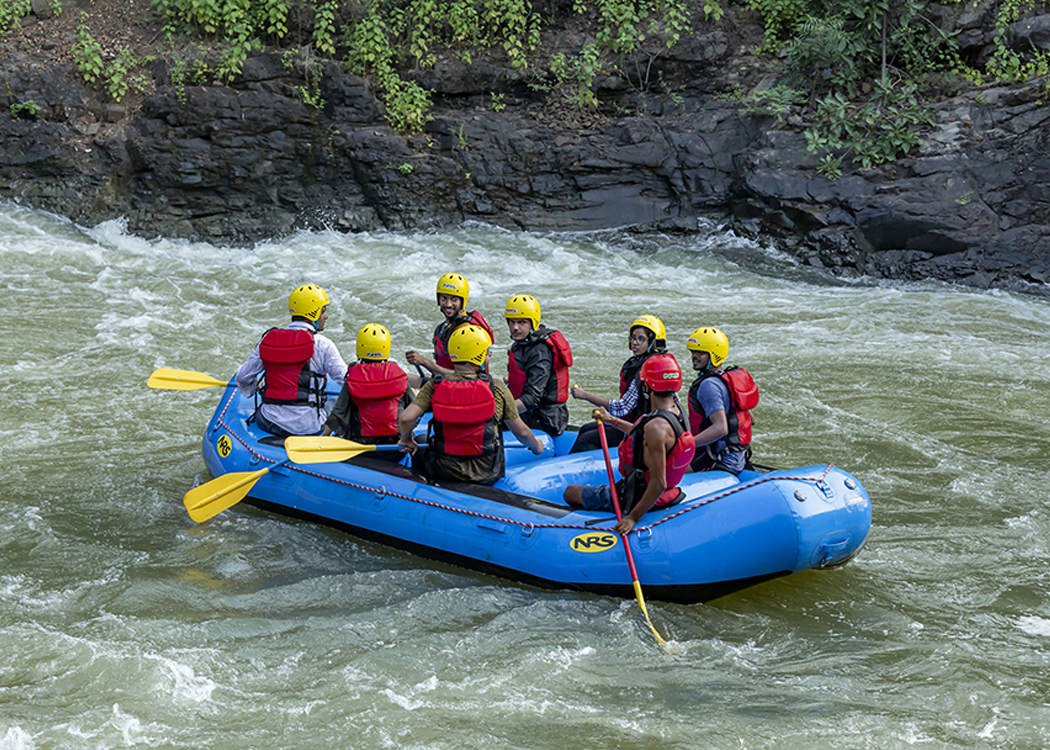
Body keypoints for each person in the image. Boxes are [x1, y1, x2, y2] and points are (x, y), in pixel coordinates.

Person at [564, 354, 696, 534]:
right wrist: (611, 420)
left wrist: (632, 517)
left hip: (635, 495)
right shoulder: (677, 411)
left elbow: (659, 483)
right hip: (669, 492)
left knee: (569, 492)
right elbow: (640, 432)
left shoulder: (656, 428)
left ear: (647, 386)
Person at [398, 324, 544, 484]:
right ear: (480, 355)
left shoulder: (435, 384)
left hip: (444, 469)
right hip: (486, 471)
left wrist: (406, 439)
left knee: (421, 439)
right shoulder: (497, 387)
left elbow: (406, 418)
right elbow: (521, 432)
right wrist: (537, 446)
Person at [235, 284, 348, 437]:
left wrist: (254, 386)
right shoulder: (323, 345)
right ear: (313, 313)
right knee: (334, 403)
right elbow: (349, 384)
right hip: (308, 428)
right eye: (323, 311)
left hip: (270, 422)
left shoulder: (268, 339)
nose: (325, 316)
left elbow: (242, 377)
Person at [569, 314, 668, 452]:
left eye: (641, 339)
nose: (635, 343)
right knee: (586, 428)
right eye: (633, 338)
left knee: (588, 439)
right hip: (636, 423)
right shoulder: (648, 363)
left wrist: (585, 395)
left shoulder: (647, 370)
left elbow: (621, 408)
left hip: (642, 430)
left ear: (653, 342)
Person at [323, 323, 413, 452]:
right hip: (395, 446)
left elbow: (337, 415)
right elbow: (414, 409)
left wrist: (323, 437)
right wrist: (408, 437)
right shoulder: (400, 376)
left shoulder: (352, 378)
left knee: (332, 403)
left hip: (361, 446)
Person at [685, 326, 758, 475]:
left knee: (665, 473)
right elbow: (751, 419)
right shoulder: (728, 379)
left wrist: (687, 444)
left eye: (701, 352)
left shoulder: (708, 386)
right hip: (739, 455)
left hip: (720, 459)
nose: (694, 356)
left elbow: (721, 428)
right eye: (693, 351)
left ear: (714, 355)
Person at [406, 272, 495, 386]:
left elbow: (465, 377)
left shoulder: (469, 333)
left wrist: (424, 362)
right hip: (446, 383)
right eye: (444, 298)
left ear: (462, 301)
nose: (448, 304)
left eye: (454, 300)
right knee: (403, 379)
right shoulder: (444, 327)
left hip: (465, 390)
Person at [504, 293, 573, 437]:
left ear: (532, 323)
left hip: (545, 419)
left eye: (521, 322)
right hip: (531, 413)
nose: (515, 327)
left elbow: (532, 399)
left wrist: (500, 411)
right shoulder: (522, 344)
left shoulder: (540, 352)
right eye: (512, 322)